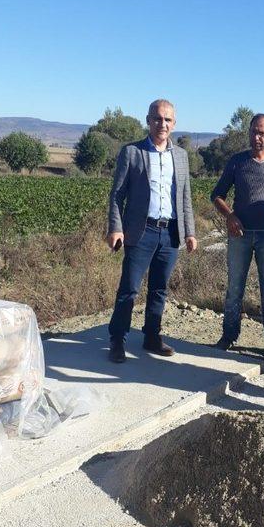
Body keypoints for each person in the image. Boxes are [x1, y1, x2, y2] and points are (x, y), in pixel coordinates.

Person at [106, 99, 197, 363]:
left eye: (168, 120)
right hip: (140, 231)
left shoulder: (180, 156)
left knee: (159, 288)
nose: (162, 124)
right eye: (157, 119)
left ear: (174, 124)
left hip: (169, 233)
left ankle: (151, 336)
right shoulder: (132, 153)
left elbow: (185, 197)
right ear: (148, 120)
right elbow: (117, 195)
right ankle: (117, 339)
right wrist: (116, 228)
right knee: (129, 289)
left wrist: (190, 232)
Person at [211, 113, 264, 357]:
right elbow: (217, 195)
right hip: (240, 236)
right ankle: (229, 336)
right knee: (234, 288)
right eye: (253, 132)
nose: (257, 138)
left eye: (262, 133)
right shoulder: (237, 162)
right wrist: (229, 216)